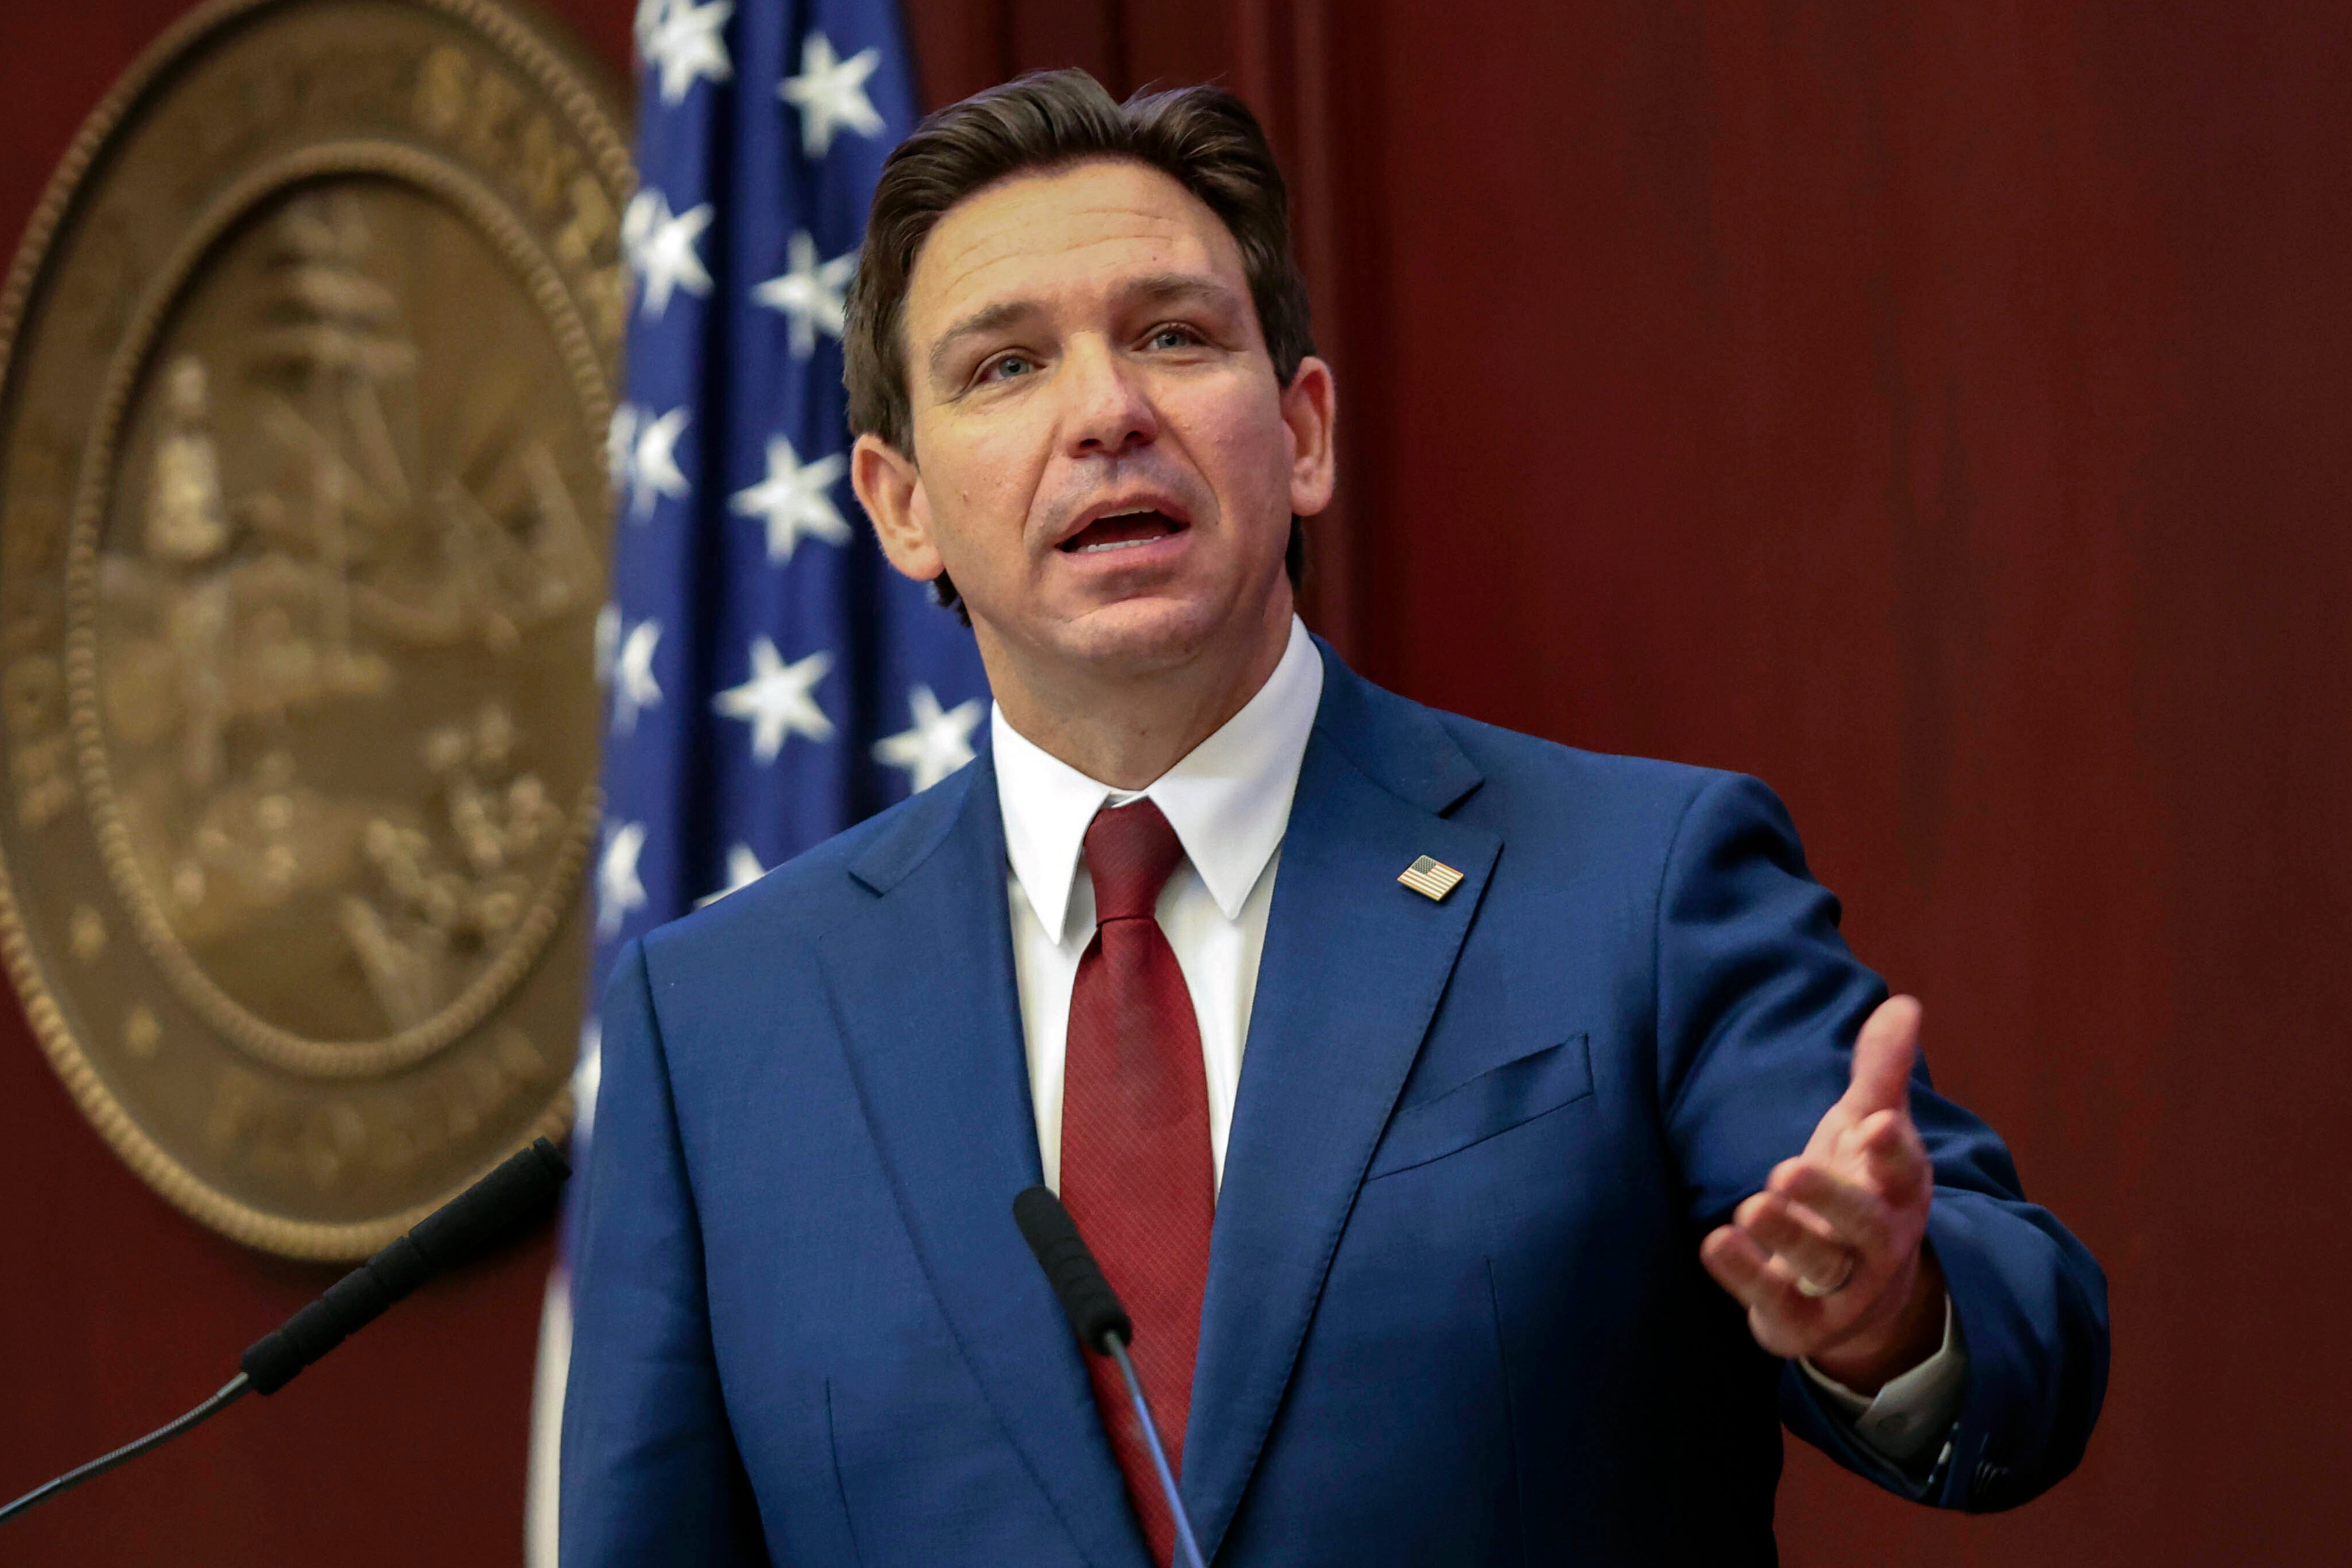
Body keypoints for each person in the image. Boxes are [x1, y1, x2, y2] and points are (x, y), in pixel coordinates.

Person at [560, 69, 2107, 1567]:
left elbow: (2020, 1319)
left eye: (1172, 335)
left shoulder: (1636, 889)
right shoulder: (717, 1028)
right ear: (900, 504)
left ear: (1300, 433)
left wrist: (1891, 1312)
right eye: (1006, 365)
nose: (1105, 410)